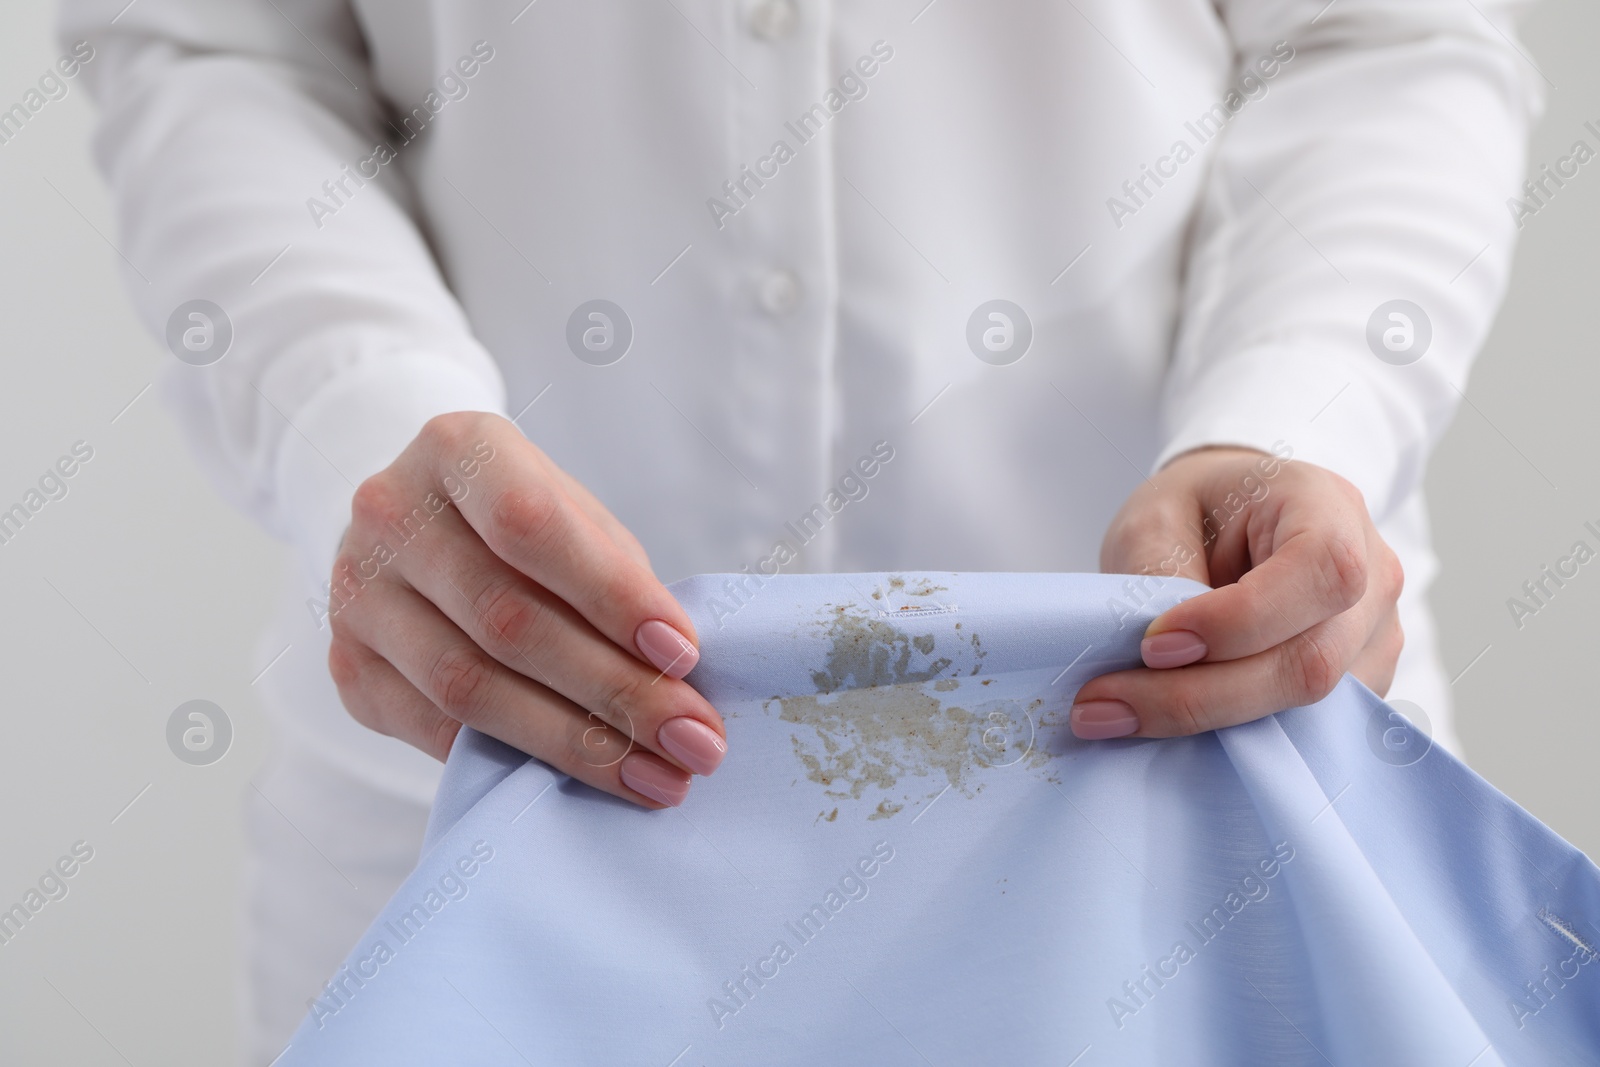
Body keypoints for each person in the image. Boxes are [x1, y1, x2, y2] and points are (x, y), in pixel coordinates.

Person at [61, 0, 1538, 1060]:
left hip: (1211, 786)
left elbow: (1386, 38)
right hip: (481, 798)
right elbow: (210, 46)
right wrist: (356, 421)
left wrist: (1296, 417)